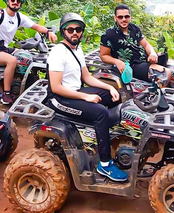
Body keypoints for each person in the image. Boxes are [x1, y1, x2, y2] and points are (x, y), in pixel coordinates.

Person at [46, 13, 128, 182]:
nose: (74, 32)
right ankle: (105, 164)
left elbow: (87, 77)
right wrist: (85, 97)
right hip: (59, 98)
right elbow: (56, 87)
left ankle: (104, 136)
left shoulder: (77, 49)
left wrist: (109, 88)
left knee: (113, 97)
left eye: (78, 29)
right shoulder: (58, 52)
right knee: (100, 113)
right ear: (63, 31)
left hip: (75, 91)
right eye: (70, 29)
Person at [0, 0, 57, 105]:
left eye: (18, 1)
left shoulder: (19, 17)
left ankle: (18, 84)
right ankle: (7, 94)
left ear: (20, 4)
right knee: (12, 61)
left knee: (26, 55)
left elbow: (35, 26)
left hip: (4, 49)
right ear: (8, 1)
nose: (15, 2)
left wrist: (48, 31)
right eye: (13, 0)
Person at [100, 4, 170, 84]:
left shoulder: (134, 28)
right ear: (115, 18)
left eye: (126, 16)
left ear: (130, 17)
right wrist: (117, 62)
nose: (124, 19)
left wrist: (152, 53)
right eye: (120, 17)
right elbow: (103, 55)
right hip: (131, 65)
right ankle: (155, 95)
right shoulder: (109, 34)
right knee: (165, 74)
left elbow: (146, 44)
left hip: (143, 59)